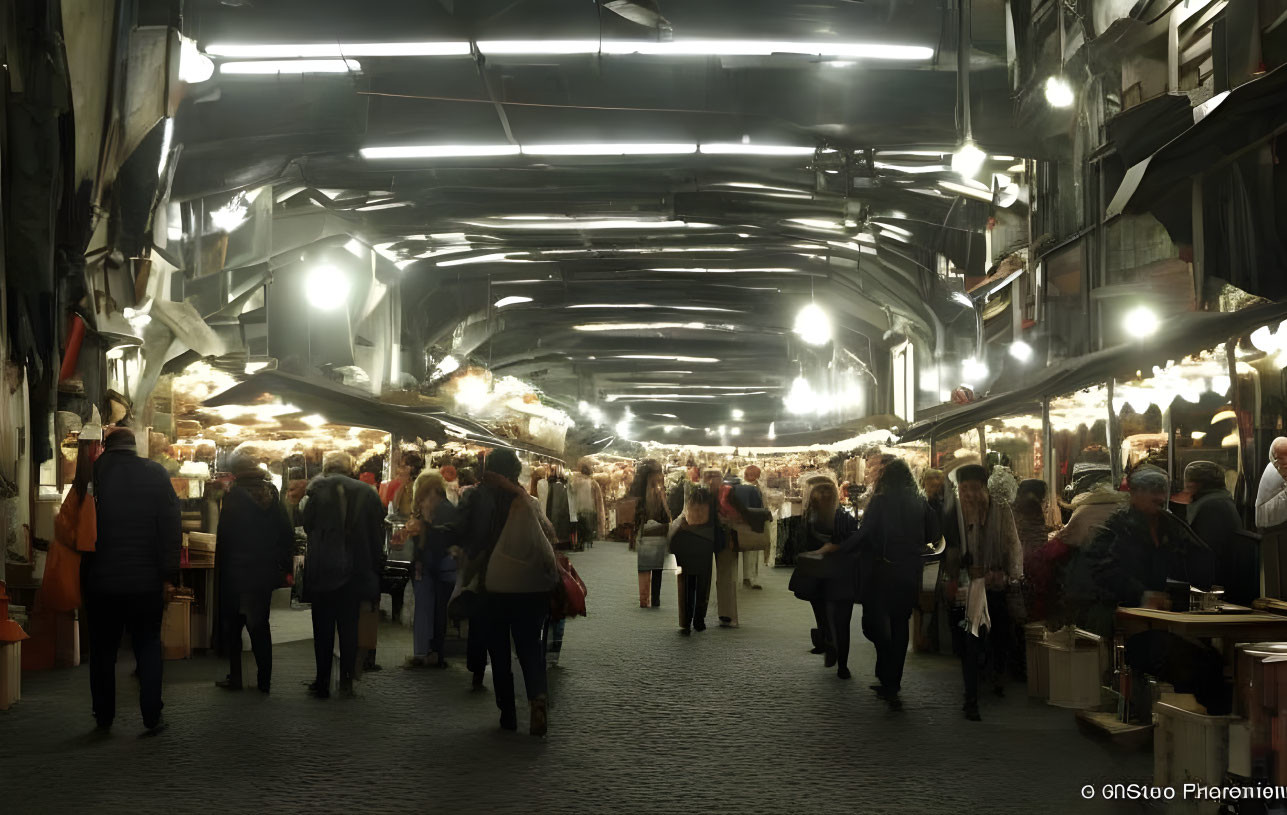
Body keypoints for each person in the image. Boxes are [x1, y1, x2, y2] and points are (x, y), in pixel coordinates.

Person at [83, 428, 181, 735]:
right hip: (146, 580)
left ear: (106, 448)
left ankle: (103, 715)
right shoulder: (156, 473)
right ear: (134, 446)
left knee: (102, 650)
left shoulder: (94, 473)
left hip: (102, 580)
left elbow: (78, 521)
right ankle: (152, 716)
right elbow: (170, 528)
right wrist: (168, 575)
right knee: (148, 646)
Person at [821, 459, 939, 704]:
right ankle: (892, 681)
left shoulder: (881, 501)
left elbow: (864, 534)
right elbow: (934, 534)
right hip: (909, 572)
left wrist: (839, 548)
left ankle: (885, 669)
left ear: (886, 479)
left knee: (872, 624)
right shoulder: (920, 503)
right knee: (900, 624)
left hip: (882, 572)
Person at [469, 448, 558, 735]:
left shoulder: (484, 501)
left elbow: (476, 541)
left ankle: (507, 712)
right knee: (530, 646)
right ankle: (538, 699)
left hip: (493, 586)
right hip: (531, 587)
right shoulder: (528, 501)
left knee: (499, 651)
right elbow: (550, 536)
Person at [1065, 468, 1215, 638]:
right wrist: (1140, 594)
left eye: (1162, 491)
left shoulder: (1171, 525)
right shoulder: (1116, 526)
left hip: (1164, 615)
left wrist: (1181, 595)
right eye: (1152, 491)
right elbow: (1101, 568)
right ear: (1134, 493)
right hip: (1121, 614)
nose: (1159, 497)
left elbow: (1201, 556)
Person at [301, 451, 385, 699]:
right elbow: (376, 535)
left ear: (327, 468)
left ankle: (322, 681)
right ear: (350, 468)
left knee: (323, 628)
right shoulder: (368, 492)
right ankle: (347, 680)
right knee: (349, 627)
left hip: (323, 568)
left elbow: (306, 524)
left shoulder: (316, 489)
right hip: (355, 569)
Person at [944, 464, 1022, 721]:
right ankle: (971, 699)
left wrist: (1012, 575)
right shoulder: (953, 513)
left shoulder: (1001, 510)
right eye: (964, 489)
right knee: (969, 641)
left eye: (974, 488)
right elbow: (947, 547)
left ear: (984, 488)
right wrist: (954, 570)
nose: (969, 494)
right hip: (967, 586)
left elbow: (1012, 543)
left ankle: (996, 675)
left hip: (996, 584)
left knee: (999, 635)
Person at [214, 452, 293, 693]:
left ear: (236, 473)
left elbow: (224, 538)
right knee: (260, 627)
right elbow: (286, 535)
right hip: (263, 572)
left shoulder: (234, 497)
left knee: (235, 627)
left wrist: (221, 569)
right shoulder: (272, 496)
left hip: (236, 572)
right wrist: (282, 566)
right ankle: (264, 681)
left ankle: (236, 677)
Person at [789, 473, 859, 670]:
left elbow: (846, 544)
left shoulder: (839, 518)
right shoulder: (810, 518)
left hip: (836, 576)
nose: (824, 495)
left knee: (837, 619)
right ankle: (833, 651)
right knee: (828, 617)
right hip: (820, 575)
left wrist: (821, 550)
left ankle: (837, 656)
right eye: (821, 491)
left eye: (827, 490)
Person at [404, 470, 459, 669]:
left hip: (435, 567)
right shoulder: (444, 507)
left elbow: (437, 540)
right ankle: (432, 652)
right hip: (437, 567)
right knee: (435, 611)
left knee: (432, 612)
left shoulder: (440, 509)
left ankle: (431, 653)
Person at [1184, 460, 1243, 592]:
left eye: (1189, 482)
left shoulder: (1211, 507)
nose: (1186, 486)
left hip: (1214, 585)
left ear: (1198, 484)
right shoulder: (1222, 500)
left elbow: (1204, 552)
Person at [669, 487, 716, 635]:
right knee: (702, 588)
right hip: (704, 549)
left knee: (686, 588)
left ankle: (686, 621)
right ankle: (699, 620)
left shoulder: (683, 524)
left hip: (686, 551)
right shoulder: (710, 519)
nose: (698, 513)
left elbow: (673, 543)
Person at [630, 460, 671, 608]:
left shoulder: (640, 494)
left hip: (645, 534)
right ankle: (656, 600)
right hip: (658, 534)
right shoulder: (661, 494)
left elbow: (636, 516)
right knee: (657, 569)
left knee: (644, 568)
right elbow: (667, 517)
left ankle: (643, 599)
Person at [701, 468, 739, 628]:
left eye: (715, 477)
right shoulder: (700, 494)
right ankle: (699, 614)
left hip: (724, 537)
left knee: (726, 578)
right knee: (703, 578)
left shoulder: (729, 493)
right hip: (704, 537)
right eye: (709, 477)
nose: (712, 480)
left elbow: (739, 513)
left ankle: (726, 614)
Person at [736, 465, 768, 590]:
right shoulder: (754, 489)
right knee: (752, 551)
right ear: (756, 476)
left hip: (736, 522)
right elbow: (760, 508)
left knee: (738, 551)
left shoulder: (736, 486)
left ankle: (741, 577)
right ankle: (750, 578)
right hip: (752, 523)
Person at [569, 458, 606, 548]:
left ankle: (580, 541)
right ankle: (588, 540)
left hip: (577, 509)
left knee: (579, 526)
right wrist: (600, 514)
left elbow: (571, 495)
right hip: (590, 509)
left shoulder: (574, 482)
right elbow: (599, 500)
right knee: (588, 526)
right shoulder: (593, 483)